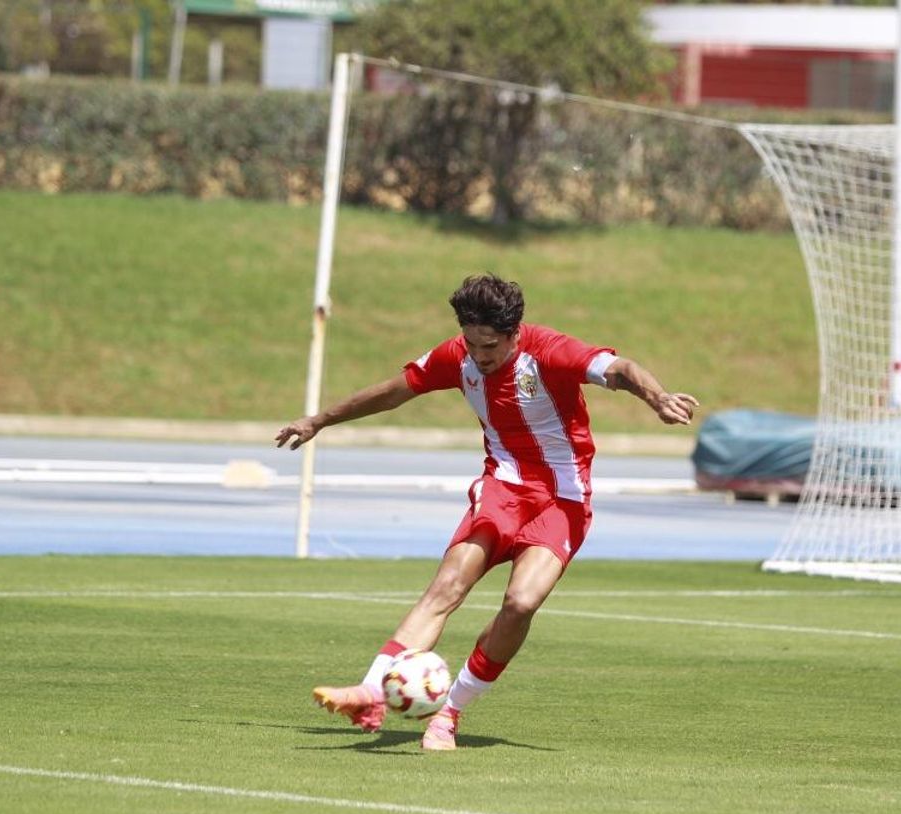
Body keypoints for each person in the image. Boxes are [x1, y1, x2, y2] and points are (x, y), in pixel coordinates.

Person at [276, 274, 697, 750]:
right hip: (502, 488)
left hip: (563, 498)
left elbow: (620, 370)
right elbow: (394, 391)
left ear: (515, 332)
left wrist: (658, 398)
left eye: (490, 345)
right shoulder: (456, 356)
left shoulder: (550, 352)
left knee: (520, 604)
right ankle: (371, 691)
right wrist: (319, 421)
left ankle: (449, 712)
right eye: (472, 343)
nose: (479, 355)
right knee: (448, 585)